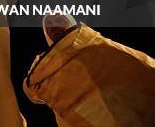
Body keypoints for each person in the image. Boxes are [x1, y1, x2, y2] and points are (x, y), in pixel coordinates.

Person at [24, 14, 155, 126]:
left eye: (60, 20)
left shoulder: (96, 44)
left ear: (71, 23)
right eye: (49, 25)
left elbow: (138, 64)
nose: (54, 26)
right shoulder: (44, 70)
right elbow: (33, 93)